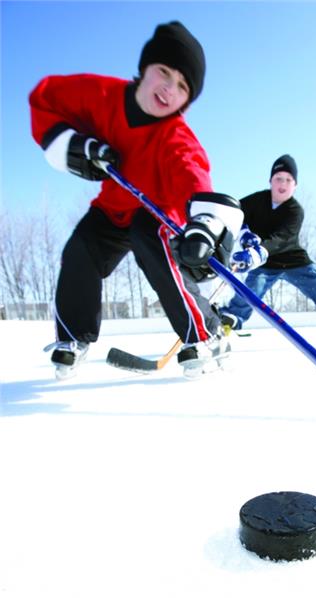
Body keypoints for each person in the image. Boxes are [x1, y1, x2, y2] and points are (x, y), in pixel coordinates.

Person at [29, 21, 250, 379]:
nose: (169, 88)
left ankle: (204, 333)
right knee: (79, 251)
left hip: (155, 212)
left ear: (187, 101)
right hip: (112, 208)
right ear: (144, 69)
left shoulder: (176, 136)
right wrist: (73, 146)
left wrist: (206, 225)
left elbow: (194, 175)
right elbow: (45, 98)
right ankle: (72, 337)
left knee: (155, 247)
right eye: (163, 72)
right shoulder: (102, 95)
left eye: (182, 86)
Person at [219, 155, 316, 342]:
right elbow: (233, 213)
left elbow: (282, 238)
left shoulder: (295, 210)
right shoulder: (255, 201)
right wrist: (244, 234)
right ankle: (229, 320)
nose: (283, 183)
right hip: (265, 264)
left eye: (289, 180)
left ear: (295, 185)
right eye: (278, 178)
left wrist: (257, 252)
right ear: (270, 181)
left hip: (294, 261)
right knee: (249, 292)